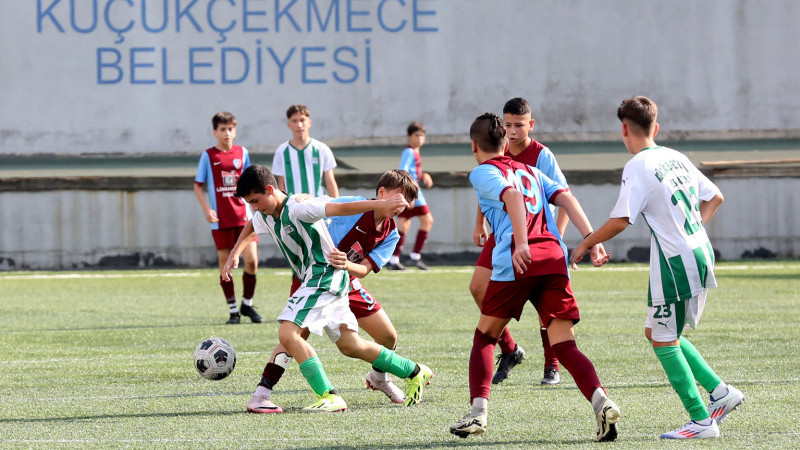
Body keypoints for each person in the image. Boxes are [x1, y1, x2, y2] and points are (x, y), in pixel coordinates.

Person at [570, 96, 744, 439]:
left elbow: (621, 220)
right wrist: (691, 231)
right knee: (659, 333)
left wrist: (586, 243)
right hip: (698, 250)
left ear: (624, 128)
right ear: (656, 127)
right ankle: (722, 393)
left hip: (674, 262)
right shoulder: (675, 156)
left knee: (664, 341)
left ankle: (700, 420)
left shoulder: (638, 165)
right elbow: (715, 196)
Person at [449, 113, 620, 442]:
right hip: (554, 260)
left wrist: (522, 242)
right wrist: (592, 240)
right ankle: (602, 401)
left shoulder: (483, 171)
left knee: (485, 337)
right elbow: (567, 197)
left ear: (474, 145)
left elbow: (511, 197)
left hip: (517, 262)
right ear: (505, 143)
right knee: (565, 344)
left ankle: (478, 413)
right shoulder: (530, 169)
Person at [222, 165, 433, 413]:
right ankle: (413, 370)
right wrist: (234, 254)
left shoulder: (299, 209)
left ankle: (328, 395)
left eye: (255, 201)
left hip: (324, 277)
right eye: (251, 203)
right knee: (349, 345)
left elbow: (337, 208)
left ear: (270, 190)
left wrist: (376, 205)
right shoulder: (268, 212)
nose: (254, 207)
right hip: (320, 278)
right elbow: (253, 223)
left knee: (289, 334)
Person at [470, 97, 569, 386]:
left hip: (536, 234)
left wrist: (557, 239)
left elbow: (564, 196)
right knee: (478, 288)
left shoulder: (542, 156)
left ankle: (552, 365)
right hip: (504, 233)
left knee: (543, 301)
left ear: (531, 125)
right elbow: (491, 189)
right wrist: (479, 223)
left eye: (519, 125)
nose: (512, 131)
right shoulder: (496, 148)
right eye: (508, 125)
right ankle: (510, 349)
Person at [193, 111, 262, 325]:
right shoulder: (209, 156)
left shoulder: (242, 153)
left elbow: (250, 182)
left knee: (252, 262)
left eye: (230, 129)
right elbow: (198, 184)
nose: (227, 133)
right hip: (221, 220)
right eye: (222, 129)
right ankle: (233, 310)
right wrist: (207, 210)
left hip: (243, 217)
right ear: (215, 132)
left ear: (235, 130)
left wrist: (255, 205)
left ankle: (247, 304)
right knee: (225, 264)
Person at [387, 121, 434, 270]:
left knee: (403, 225)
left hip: (410, 192)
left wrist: (423, 174)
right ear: (409, 137)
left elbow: (412, 172)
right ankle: (415, 256)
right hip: (413, 193)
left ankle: (394, 259)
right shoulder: (409, 152)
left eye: (422, 135)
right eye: (416, 135)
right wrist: (410, 195)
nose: (420, 138)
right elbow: (403, 171)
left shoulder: (415, 152)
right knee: (427, 221)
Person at [271, 104, 339, 197]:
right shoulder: (281, 151)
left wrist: (337, 206)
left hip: (318, 206)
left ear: (309, 122)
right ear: (289, 125)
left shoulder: (322, 149)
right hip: (293, 207)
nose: (299, 125)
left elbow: (330, 182)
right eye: (294, 121)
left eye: (302, 120)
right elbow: (281, 186)